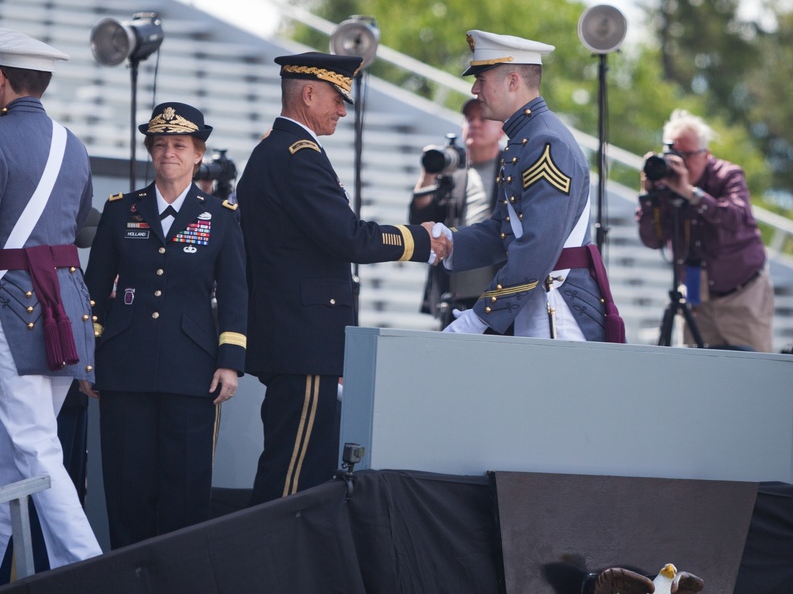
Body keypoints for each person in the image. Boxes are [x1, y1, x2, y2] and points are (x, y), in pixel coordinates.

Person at [237, 52, 450, 505]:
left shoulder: (277, 150)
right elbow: (348, 238)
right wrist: (420, 240)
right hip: (303, 342)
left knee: (298, 469)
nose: (341, 110)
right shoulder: (297, 156)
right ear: (309, 94)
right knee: (291, 483)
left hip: (298, 339)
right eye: (337, 98)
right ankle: (273, 570)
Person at [0, 28, 101, 593]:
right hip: (67, 308)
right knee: (11, 458)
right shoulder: (73, 144)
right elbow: (82, 223)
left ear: (1, 80)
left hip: (16, 307)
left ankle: (91, 572)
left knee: (34, 448)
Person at [83, 102, 247, 547]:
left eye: (179, 144)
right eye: (160, 144)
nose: (168, 152)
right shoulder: (120, 211)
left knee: (186, 496)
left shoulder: (222, 217)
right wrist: (88, 356)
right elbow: (93, 292)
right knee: (126, 491)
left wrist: (229, 362)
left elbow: (235, 295)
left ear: (198, 154)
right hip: (125, 367)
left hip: (192, 371)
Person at [438, 30, 620, 342]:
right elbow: (504, 231)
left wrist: (481, 316)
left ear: (512, 81)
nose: (474, 89)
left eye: (482, 80)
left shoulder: (545, 142)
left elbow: (538, 245)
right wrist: (449, 243)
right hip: (539, 297)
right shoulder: (528, 138)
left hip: (557, 303)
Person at [636, 109, 774, 352]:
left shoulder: (727, 175)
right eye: (674, 154)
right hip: (696, 300)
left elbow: (736, 218)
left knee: (753, 376)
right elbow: (652, 240)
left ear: (706, 154)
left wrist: (690, 194)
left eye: (687, 154)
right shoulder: (664, 185)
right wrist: (649, 196)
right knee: (697, 376)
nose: (681, 163)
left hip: (742, 295)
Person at [409, 98, 506, 325]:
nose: (475, 124)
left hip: (499, 299)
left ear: (502, 129)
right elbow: (420, 222)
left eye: (483, 118)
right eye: (469, 119)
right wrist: (428, 173)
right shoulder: (452, 173)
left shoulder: (512, 168)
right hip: (453, 299)